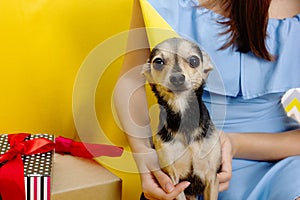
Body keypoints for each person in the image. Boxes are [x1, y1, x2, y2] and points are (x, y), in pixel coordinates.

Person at [114, 0, 300, 199]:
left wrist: (233, 143)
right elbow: (131, 79)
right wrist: (144, 156)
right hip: (185, 157)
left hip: (282, 158)